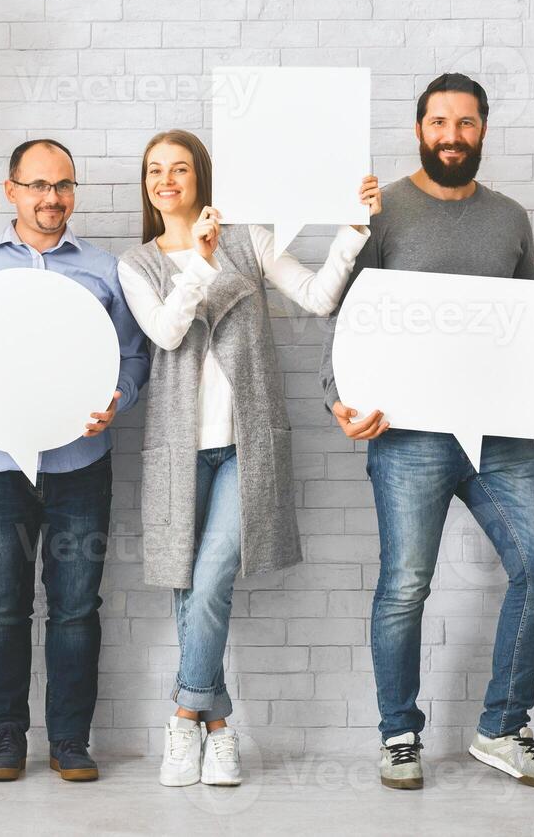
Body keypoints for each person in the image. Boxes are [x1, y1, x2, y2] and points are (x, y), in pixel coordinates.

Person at [321, 73, 534, 791]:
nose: (452, 136)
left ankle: (502, 727)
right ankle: (398, 734)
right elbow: (350, 318)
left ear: (483, 132)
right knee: (407, 584)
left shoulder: (510, 218)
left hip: (501, 433)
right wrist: (338, 403)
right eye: (439, 123)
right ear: (419, 130)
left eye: (465, 124)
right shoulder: (386, 211)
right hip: (407, 434)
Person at [117, 129, 380, 787]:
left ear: (201, 177)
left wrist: (351, 230)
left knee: (209, 581)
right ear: (146, 184)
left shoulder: (248, 236)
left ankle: (182, 717)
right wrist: (200, 262)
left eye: (180, 168)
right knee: (187, 587)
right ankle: (219, 728)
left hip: (247, 446)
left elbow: (319, 298)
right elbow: (167, 332)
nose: (167, 179)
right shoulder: (137, 264)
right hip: (178, 452)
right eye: (156, 170)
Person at [0, 138, 150, 783]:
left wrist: (121, 396)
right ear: (11, 190)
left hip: (82, 462)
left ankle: (71, 741)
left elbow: (133, 357)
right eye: (37, 185)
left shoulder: (107, 270)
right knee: (2, 603)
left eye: (63, 186)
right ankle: (5, 737)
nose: (51, 198)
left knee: (78, 605)